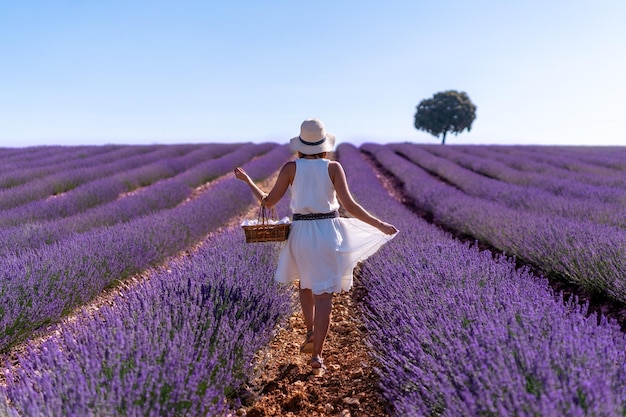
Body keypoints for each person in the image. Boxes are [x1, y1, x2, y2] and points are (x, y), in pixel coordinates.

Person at [234, 118, 397, 375]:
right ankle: (317, 356)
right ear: (323, 145)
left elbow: (267, 202)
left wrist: (247, 181)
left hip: (300, 233)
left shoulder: (290, 168)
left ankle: (310, 331)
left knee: (305, 282)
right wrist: (380, 224)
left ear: (301, 145)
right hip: (327, 232)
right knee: (324, 297)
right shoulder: (333, 167)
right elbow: (350, 206)